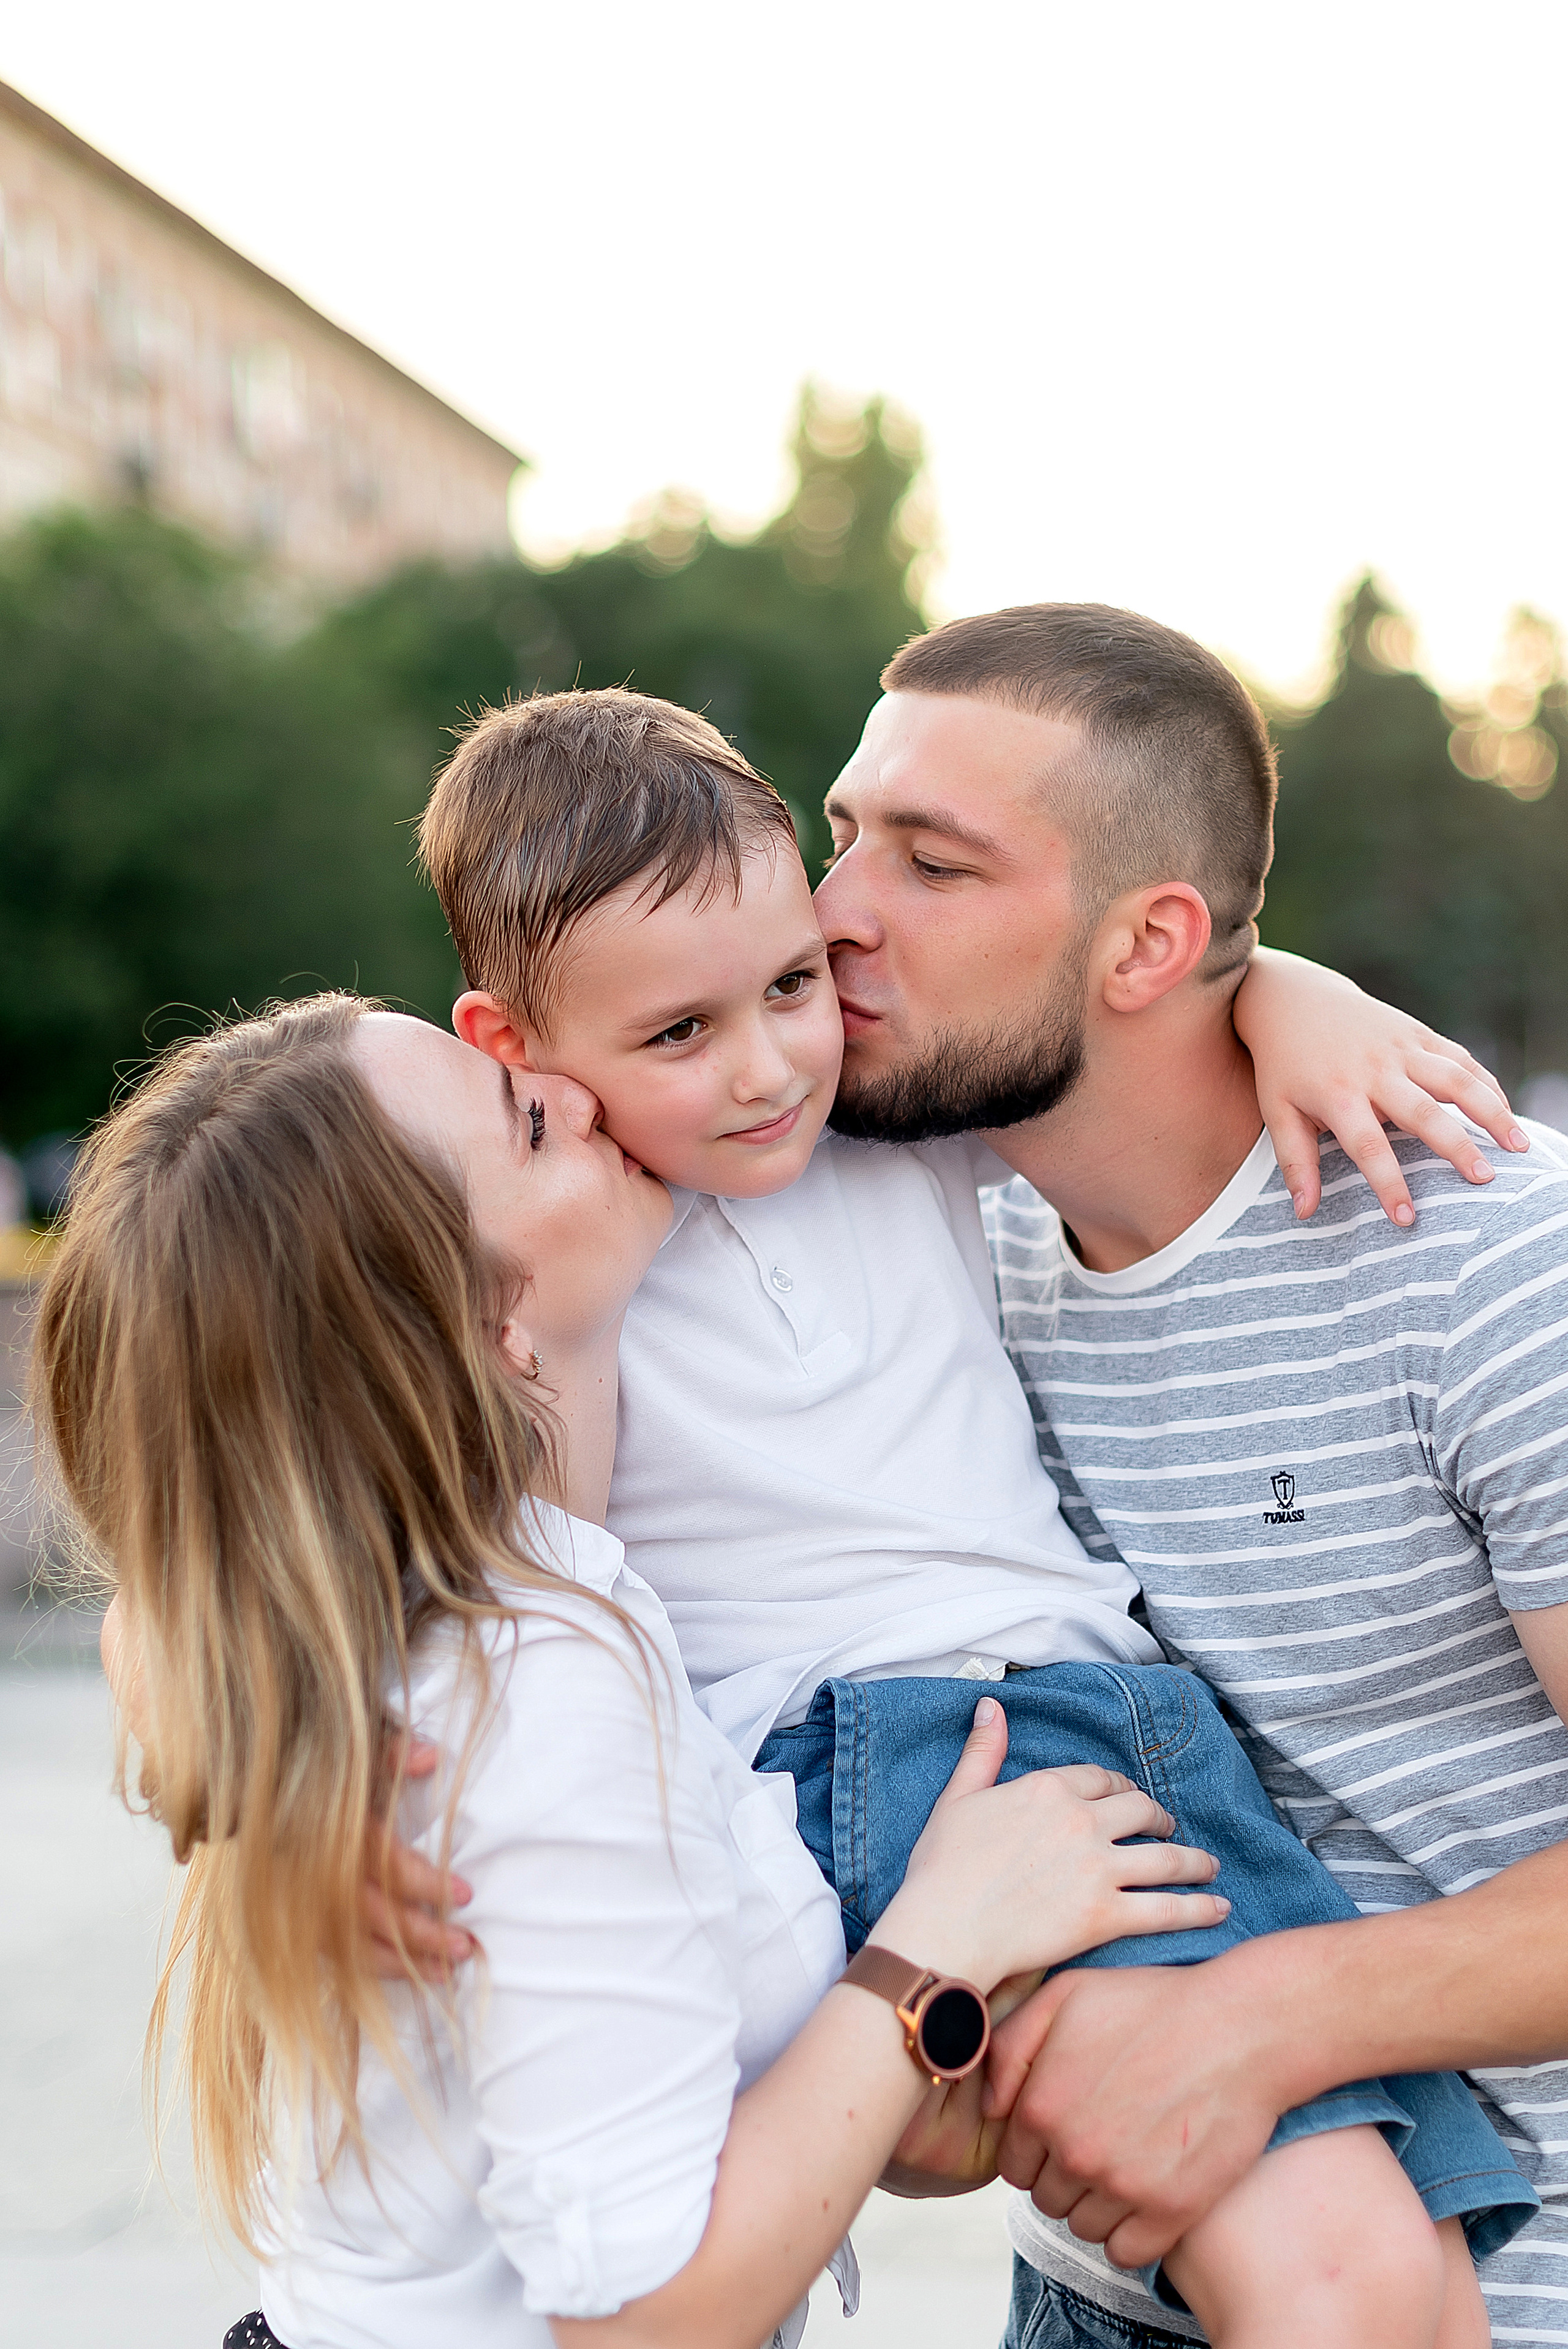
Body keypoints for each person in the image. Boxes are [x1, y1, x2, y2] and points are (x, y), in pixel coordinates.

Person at [394, 688, 1534, 2342]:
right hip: (905, 1762)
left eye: (791, 983)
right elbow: (283, 1505)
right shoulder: (543, 1244)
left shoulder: (886, 1132)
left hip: (1120, 1730)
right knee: (1339, 2280)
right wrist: (280, 1753)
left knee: (1416, 2286)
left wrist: (1294, 991)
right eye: (676, 1036)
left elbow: (1125, 1014)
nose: (767, 1065)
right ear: (510, 1048)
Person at [40, 992, 1231, 2349]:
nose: (587, 1094)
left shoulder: (433, 1608)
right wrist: (935, 1948)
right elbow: (645, 2323)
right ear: (483, 1322)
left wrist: (1285, 1008)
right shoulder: (529, 1685)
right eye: (529, 1120)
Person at [803, 602, 1568, 2346]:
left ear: (1147, 941)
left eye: (930, 861)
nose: (833, 908)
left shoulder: (1493, 1264)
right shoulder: (935, 1266)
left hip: (1486, 2294)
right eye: (842, 834)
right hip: (1094, 2285)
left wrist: (1259, 2019)